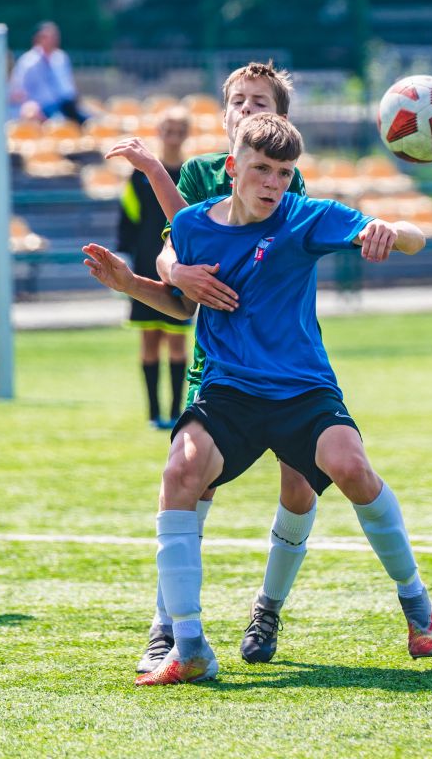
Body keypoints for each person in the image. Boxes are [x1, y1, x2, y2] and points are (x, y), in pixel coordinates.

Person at [83, 113, 432, 686]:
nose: (272, 182)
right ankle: (188, 641)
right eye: (261, 169)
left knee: (352, 469)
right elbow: (181, 302)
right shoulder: (196, 226)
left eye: (282, 172)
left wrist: (390, 231)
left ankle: (416, 602)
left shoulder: (307, 218)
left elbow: (412, 236)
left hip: (302, 388)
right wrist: (129, 283)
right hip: (231, 392)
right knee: (179, 473)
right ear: (233, 168)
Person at [103, 62, 318, 673]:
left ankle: (268, 607)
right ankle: (167, 624)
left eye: (261, 102)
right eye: (239, 102)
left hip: (285, 361)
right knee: (188, 481)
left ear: (280, 118)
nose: (249, 110)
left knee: (300, 485)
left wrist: (176, 267)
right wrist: (165, 272)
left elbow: (213, 250)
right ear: (224, 115)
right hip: (218, 364)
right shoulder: (198, 173)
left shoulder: (285, 182)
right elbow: (185, 257)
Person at [116, 108, 192, 429]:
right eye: (168, 130)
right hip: (146, 264)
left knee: (176, 341)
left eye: (179, 131)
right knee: (149, 340)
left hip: (181, 267)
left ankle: (176, 412)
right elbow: (128, 220)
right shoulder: (139, 176)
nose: (173, 137)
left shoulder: (191, 174)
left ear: (186, 134)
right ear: (160, 133)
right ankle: (152, 413)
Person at [8, 21, 88, 124]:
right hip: (43, 108)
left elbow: (68, 86)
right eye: (46, 37)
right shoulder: (28, 62)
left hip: (66, 105)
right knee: (60, 124)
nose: (52, 40)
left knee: (91, 122)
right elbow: (18, 91)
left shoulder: (61, 58)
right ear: (37, 39)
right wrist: (31, 107)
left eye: (54, 36)